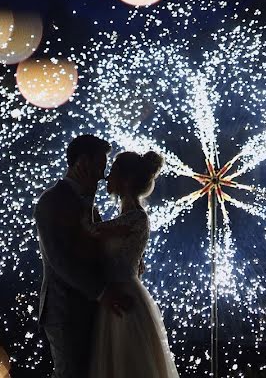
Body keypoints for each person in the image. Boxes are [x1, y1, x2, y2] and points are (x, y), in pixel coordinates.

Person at [34, 135, 135, 378]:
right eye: (100, 166)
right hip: (65, 311)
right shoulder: (51, 202)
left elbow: (98, 250)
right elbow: (60, 260)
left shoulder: (91, 207)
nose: (103, 176)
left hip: (90, 309)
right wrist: (102, 292)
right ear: (82, 163)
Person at [85, 150, 180, 378]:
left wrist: (86, 206)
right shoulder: (128, 217)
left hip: (122, 297)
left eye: (113, 173)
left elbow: (89, 232)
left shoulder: (135, 218)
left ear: (125, 180)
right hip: (117, 294)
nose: (107, 178)